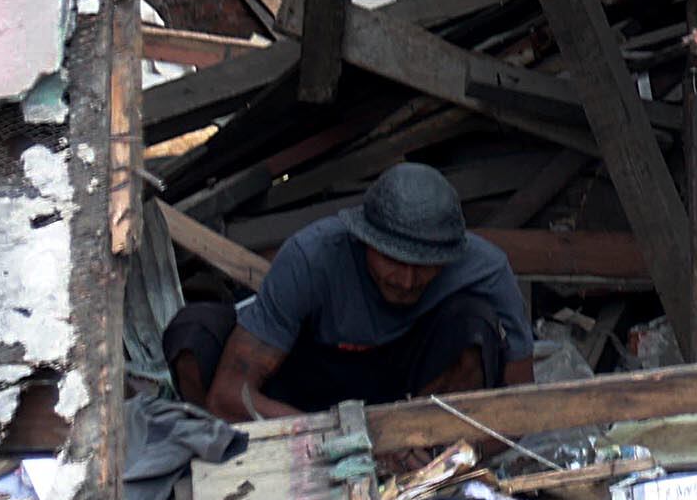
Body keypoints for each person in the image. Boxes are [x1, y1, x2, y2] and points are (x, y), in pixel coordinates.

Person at [165, 163, 526, 422]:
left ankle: (430, 454)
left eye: (424, 265)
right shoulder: (311, 256)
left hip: (412, 387)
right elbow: (228, 395)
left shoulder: (486, 269)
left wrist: (445, 449)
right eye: (392, 260)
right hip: (308, 383)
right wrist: (336, 440)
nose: (406, 280)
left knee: (475, 323)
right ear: (362, 239)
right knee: (194, 333)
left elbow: (527, 401)